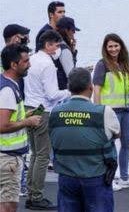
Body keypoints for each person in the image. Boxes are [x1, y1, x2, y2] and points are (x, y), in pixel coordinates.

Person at [49, 68, 120, 212]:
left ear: (69, 88)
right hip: (95, 176)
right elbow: (117, 134)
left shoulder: (54, 112)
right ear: (91, 87)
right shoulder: (104, 112)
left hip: (66, 176)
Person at [24, 30, 71, 210]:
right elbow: (52, 95)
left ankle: (31, 193)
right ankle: (36, 196)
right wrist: (69, 91)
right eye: (56, 45)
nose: (58, 49)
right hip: (42, 111)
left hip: (29, 109)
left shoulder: (32, 59)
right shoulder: (48, 64)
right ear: (48, 45)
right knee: (43, 155)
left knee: (35, 154)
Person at [93, 33, 129, 190]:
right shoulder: (102, 65)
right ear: (105, 48)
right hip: (110, 111)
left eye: (116, 45)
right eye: (110, 46)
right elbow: (97, 89)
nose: (113, 49)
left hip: (126, 109)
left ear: (121, 46)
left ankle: (124, 177)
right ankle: (109, 179)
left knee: (127, 143)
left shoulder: (124, 63)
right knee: (109, 145)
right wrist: (98, 111)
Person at [0, 44, 42, 212]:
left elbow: (8, 116)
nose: (29, 65)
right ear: (13, 65)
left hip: (6, 156)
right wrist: (27, 122)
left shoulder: (6, 84)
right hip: (8, 157)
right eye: (26, 61)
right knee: (8, 206)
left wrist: (24, 115)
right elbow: (2, 125)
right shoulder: (8, 90)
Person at [54, 17, 80, 90]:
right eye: (73, 30)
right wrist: (83, 72)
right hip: (63, 90)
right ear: (66, 30)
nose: (74, 32)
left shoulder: (55, 45)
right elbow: (71, 75)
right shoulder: (64, 50)